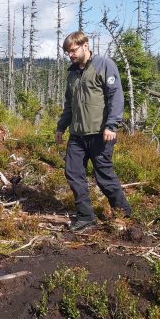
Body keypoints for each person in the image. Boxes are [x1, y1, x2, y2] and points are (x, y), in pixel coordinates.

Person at [55, 31, 132, 231]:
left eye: (73, 50)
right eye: (67, 52)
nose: (70, 55)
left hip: (101, 134)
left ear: (85, 46)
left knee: (104, 176)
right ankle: (86, 217)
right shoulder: (72, 73)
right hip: (77, 135)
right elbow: (69, 104)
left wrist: (111, 125)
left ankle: (124, 213)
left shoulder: (104, 65)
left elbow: (116, 96)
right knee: (73, 173)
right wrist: (61, 127)